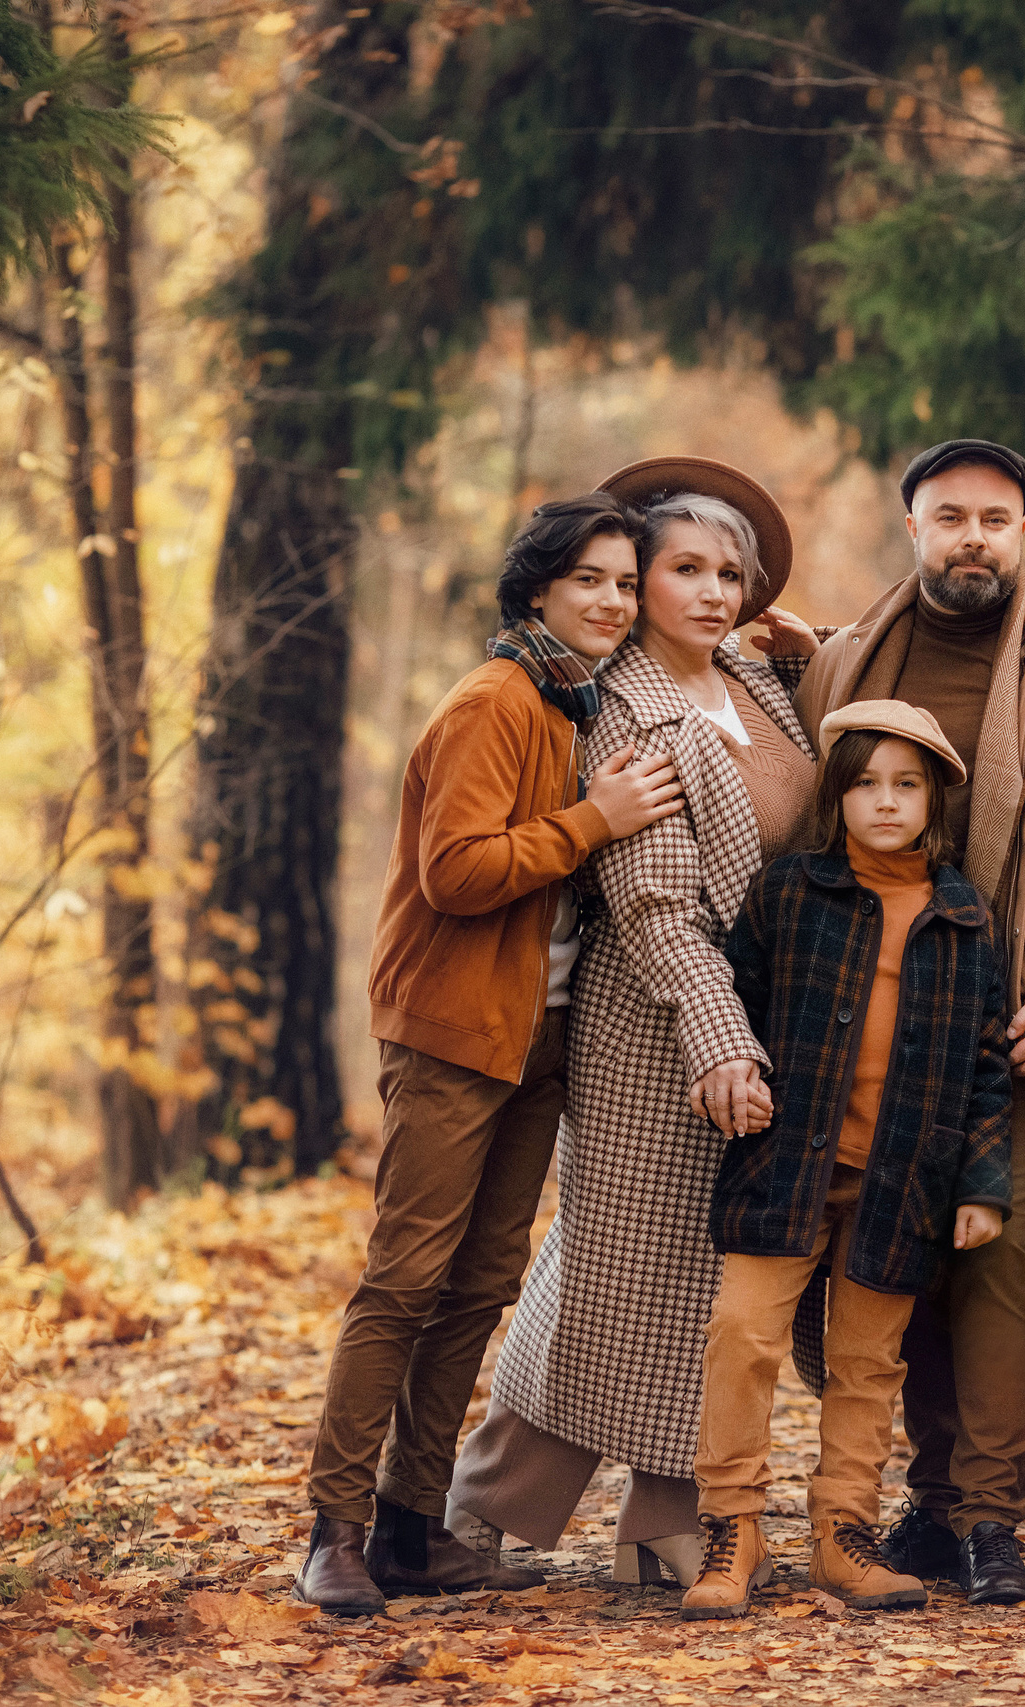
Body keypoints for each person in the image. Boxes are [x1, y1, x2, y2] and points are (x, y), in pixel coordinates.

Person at [298, 494, 690, 1614]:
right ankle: (333, 1528)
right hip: (452, 1031)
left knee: (479, 1285)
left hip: (541, 1033)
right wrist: (594, 821)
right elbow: (456, 873)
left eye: (625, 582)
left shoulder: (580, 702)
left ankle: (413, 1528)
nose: (613, 602)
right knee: (405, 1280)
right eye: (590, 582)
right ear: (535, 591)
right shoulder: (497, 701)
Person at [784, 438, 1025, 1604]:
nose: (974, 537)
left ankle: (989, 1516)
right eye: (951, 517)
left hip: (1006, 1026)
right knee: (892, 1253)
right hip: (861, 1013)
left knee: (993, 1260)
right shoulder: (840, 665)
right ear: (913, 530)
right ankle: (931, 1508)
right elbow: (800, 811)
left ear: (1023, 534)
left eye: (996, 518)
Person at [444, 457, 823, 1589]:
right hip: (651, 1024)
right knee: (616, 1271)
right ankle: (490, 1501)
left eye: (730, 574)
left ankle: (663, 1524)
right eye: (685, 570)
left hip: (755, 1019)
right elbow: (654, 903)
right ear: (638, 582)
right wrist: (716, 1037)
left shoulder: (752, 686)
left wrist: (798, 652)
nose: (712, 592)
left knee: (702, 1279)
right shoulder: (624, 710)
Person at [682, 702, 1015, 1620]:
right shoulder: (791, 892)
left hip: (902, 1178)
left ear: (934, 801)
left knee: (869, 1363)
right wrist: (736, 1071)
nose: (884, 800)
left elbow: (989, 1061)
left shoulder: (962, 915)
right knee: (743, 1335)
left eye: (905, 785)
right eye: (865, 782)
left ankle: (843, 1533)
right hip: (783, 1165)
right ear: (837, 794)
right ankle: (732, 1529)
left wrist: (982, 1185)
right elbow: (736, 998)